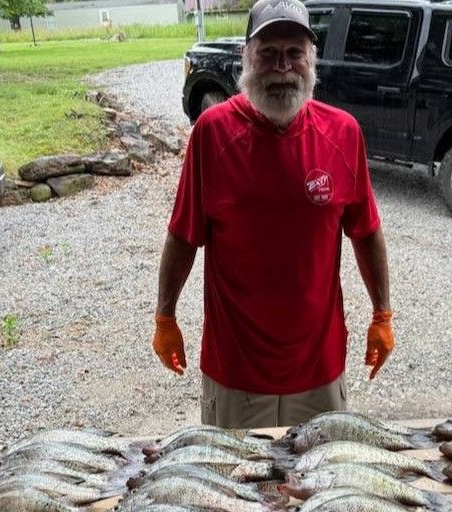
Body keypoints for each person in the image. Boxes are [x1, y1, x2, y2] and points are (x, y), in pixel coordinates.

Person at [151, 0, 393, 429]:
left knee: (319, 469)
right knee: (233, 472)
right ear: (246, 57)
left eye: (294, 53)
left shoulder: (343, 133)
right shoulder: (212, 133)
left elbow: (366, 231)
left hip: (319, 368)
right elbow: (184, 235)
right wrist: (165, 317)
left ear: (311, 60)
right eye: (268, 53)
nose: (282, 67)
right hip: (235, 371)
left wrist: (382, 315)